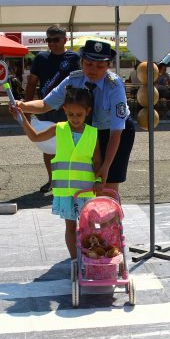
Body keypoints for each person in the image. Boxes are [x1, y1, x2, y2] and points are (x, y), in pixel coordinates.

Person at [14, 39, 134, 193]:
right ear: (82, 62)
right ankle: (92, 216)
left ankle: (112, 216)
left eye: (100, 66)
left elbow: (116, 131)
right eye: (88, 64)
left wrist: (106, 167)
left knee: (108, 185)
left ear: (108, 66)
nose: (93, 69)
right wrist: (22, 106)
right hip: (89, 133)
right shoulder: (74, 80)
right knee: (88, 184)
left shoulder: (114, 85)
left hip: (115, 133)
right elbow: (45, 105)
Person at [19, 87, 101, 259]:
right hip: (65, 192)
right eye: (71, 114)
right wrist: (22, 119)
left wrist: (99, 180)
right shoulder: (58, 128)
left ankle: (90, 257)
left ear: (88, 112)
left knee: (90, 227)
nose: (75, 119)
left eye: (79, 114)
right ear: (64, 110)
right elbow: (35, 137)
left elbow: (97, 162)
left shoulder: (93, 134)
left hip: (86, 191)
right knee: (70, 227)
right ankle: (74, 260)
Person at [25, 25, 81, 193]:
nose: (52, 43)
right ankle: (52, 181)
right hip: (46, 108)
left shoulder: (74, 58)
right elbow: (32, 83)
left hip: (69, 109)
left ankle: (71, 181)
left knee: (71, 146)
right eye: (49, 40)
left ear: (65, 39)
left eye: (56, 40)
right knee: (48, 146)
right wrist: (27, 107)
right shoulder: (40, 58)